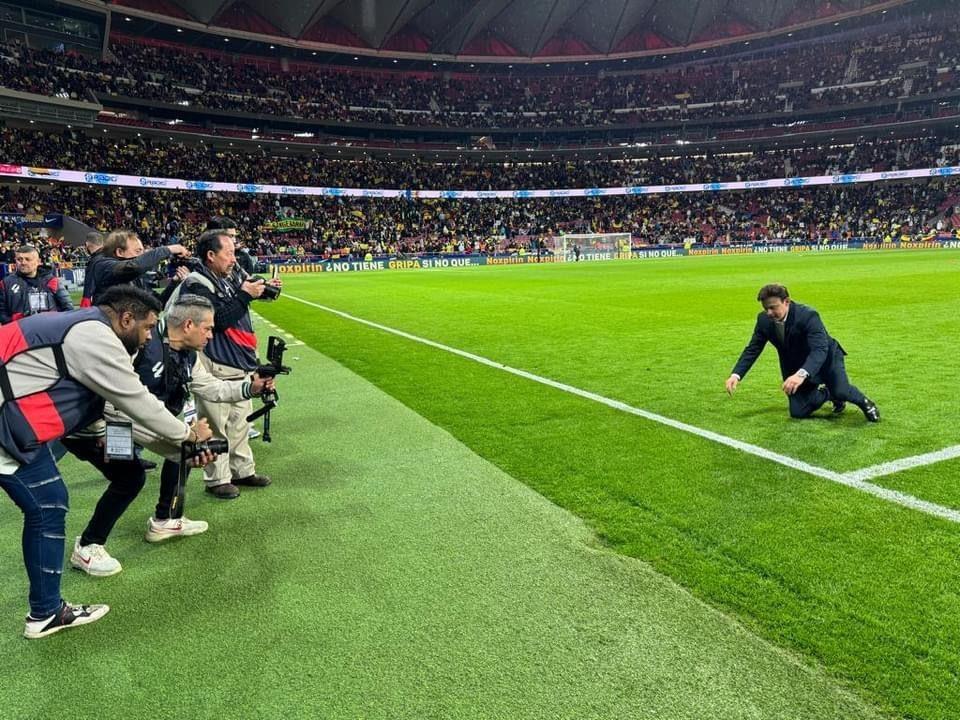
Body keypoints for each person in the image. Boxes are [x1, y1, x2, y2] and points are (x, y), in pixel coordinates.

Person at [0, 285, 213, 639]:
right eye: (146, 328)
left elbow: (115, 412)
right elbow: (136, 402)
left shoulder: (86, 329)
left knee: (54, 502)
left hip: (18, 425)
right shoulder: (96, 337)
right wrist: (188, 437)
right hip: (10, 426)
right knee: (49, 505)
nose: (148, 338)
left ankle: (47, 609)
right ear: (126, 318)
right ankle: (46, 612)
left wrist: (179, 451)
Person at [64, 294, 275, 576]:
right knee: (129, 477)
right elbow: (114, 402)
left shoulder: (188, 354)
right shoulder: (138, 345)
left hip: (135, 417)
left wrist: (251, 388)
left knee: (185, 451)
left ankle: (166, 519)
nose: (212, 335)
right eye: (208, 328)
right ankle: (88, 547)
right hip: (102, 421)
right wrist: (185, 435)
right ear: (188, 324)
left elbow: (212, 388)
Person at [167, 229, 281, 498]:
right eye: (228, 253)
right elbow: (216, 320)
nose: (233, 258)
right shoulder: (197, 283)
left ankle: (242, 470)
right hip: (216, 360)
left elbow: (247, 295)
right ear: (210, 255)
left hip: (238, 359)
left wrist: (266, 290)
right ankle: (217, 479)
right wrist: (244, 295)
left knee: (239, 420)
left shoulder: (226, 277)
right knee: (216, 422)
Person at [725, 283, 879, 421]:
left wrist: (801, 374)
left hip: (826, 359)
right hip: (795, 364)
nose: (769, 312)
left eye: (773, 307)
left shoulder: (808, 316)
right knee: (798, 412)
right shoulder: (763, 320)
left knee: (842, 391)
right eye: (766, 308)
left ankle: (864, 402)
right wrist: (736, 375)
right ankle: (828, 393)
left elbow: (820, 349)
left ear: (787, 302)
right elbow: (753, 348)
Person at [85, 230, 190, 305]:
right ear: (120, 252)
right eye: (138, 251)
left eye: (143, 251)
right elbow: (134, 266)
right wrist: (171, 249)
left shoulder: (137, 277)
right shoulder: (102, 265)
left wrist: (174, 283)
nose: (143, 256)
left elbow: (157, 303)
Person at [0, 244, 73, 323]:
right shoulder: (6, 283)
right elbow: (2, 313)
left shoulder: (52, 281)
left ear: (38, 261)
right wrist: (15, 321)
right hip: (21, 332)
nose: (23, 262)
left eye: (28, 259)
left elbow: (68, 309)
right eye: (19, 259)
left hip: (49, 331)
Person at [79, 231, 104, 308]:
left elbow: (89, 286)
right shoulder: (111, 257)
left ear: (87, 244)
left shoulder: (94, 261)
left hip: (100, 303)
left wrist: (86, 298)